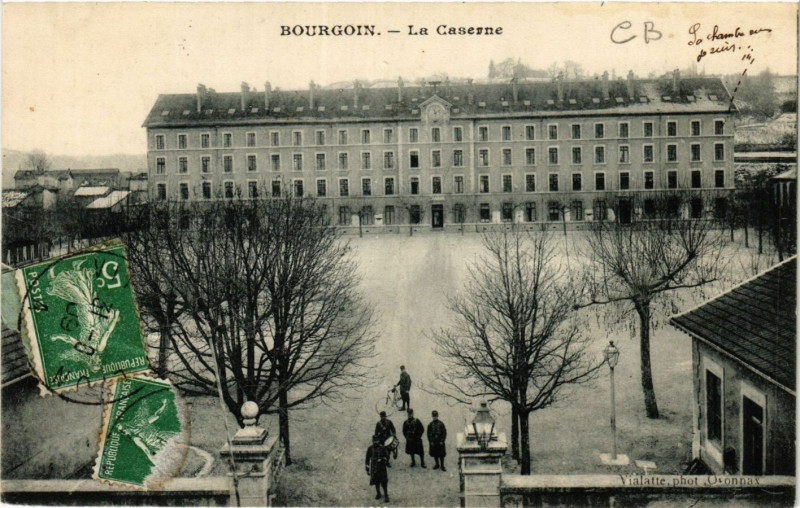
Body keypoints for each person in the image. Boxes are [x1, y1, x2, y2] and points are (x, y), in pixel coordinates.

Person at [365, 434, 390, 502]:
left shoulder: (383, 448)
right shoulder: (370, 448)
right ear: (372, 441)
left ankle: (386, 495)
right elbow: (367, 459)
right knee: (376, 481)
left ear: (379, 441)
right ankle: (378, 493)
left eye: (377, 441)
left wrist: (383, 459)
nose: (376, 442)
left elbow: (387, 456)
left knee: (384, 482)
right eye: (374, 441)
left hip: (382, 468)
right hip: (374, 467)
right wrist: (367, 469)